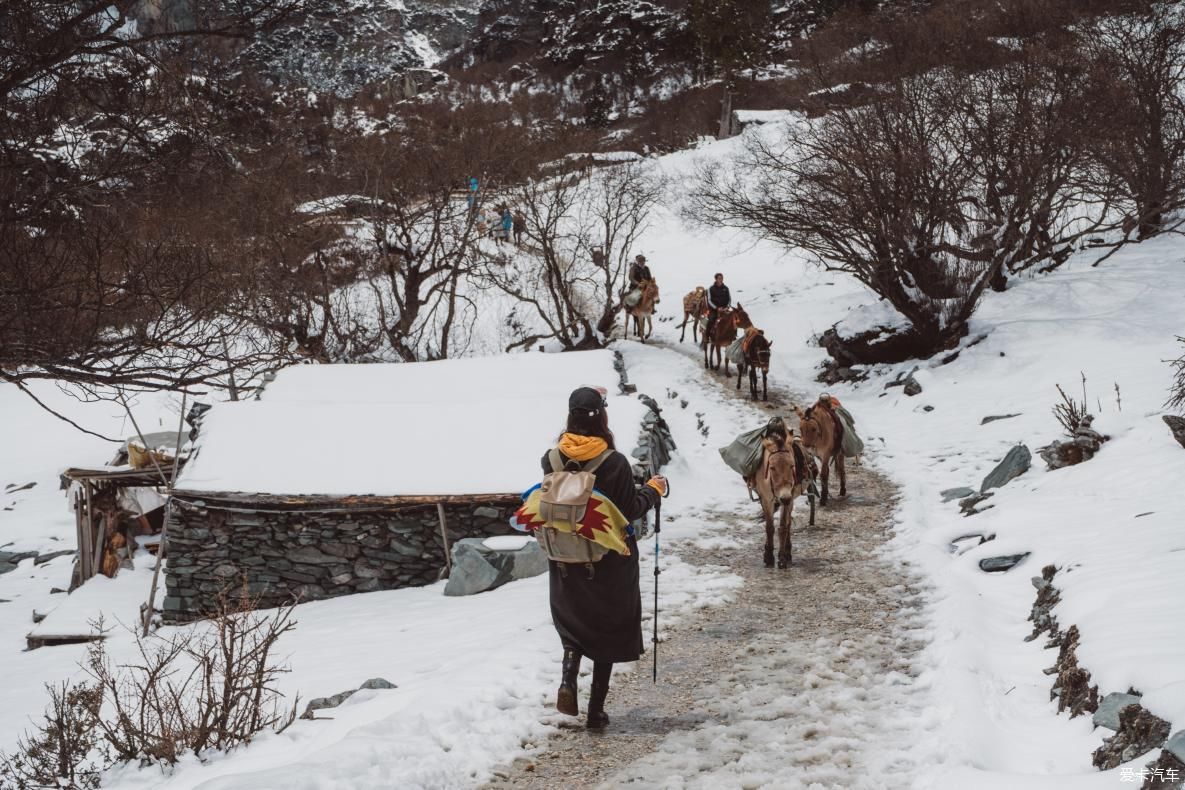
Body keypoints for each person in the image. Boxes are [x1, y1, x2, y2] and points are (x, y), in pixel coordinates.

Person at [543, 386, 668, 729]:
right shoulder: (613, 463)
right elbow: (628, 511)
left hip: (564, 561)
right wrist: (653, 491)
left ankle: (568, 678)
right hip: (608, 561)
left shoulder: (552, 458)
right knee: (606, 630)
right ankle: (595, 710)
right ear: (602, 417)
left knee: (575, 625)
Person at [706, 272, 731, 338]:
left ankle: (733, 335)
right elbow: (709, 300)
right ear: (716, 279)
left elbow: (729, 299)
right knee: (711, 319)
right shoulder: (711, 288)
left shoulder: (726, 288)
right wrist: (717, 308)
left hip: (724, 309)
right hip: (714, 310)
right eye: (719, 278)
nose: (721, 279)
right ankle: (707, 336)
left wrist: (727, 307)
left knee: (733, 319)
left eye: (722, 278)